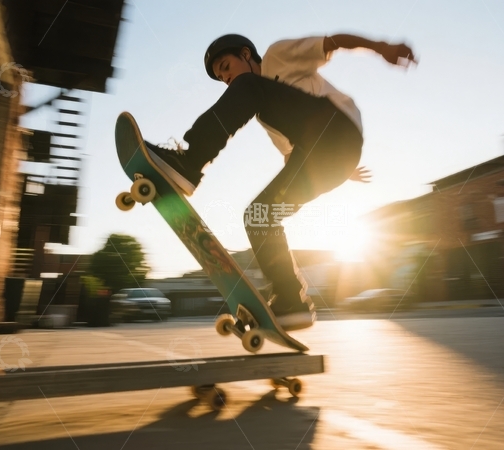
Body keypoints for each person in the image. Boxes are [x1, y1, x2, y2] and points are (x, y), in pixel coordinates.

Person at [146, 33, 416, 331]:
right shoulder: (265, 111)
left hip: (337, 128)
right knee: (259, 215)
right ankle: (291, 300)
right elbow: (293, 159)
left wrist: (382, 48)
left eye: (226, 66)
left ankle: (190, 162)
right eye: (221, 77)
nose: (226, 78)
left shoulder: (277, 56)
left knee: (249, 87)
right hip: (324, 161)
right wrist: (341, 168)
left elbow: (333, 42)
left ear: (246, 54)